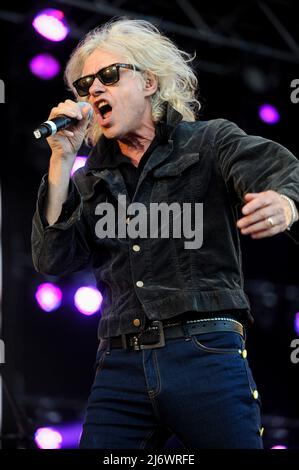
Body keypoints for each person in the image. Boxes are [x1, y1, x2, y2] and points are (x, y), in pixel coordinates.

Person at [31, 18, 299, 449]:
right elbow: (52, 259)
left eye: (109, 75)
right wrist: (62, 161)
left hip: (205, 352)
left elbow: (282, 169)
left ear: (150, 82)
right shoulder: (91, 179)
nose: (95, 89)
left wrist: (286, 202)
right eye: (85, 85)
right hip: (119, 362)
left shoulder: (209, 142)